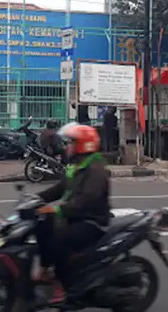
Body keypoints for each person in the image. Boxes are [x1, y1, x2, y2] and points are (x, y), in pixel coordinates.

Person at [34, 122, 111, 304]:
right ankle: (45, 270)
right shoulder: (76, 164)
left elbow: (86, 199)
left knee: (60, 239)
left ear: (83, 145)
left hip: (92, 220)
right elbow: (60, 189)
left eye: (72, 143)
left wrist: (58, 208)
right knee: (41, 221)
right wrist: (35, 199)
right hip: (74, 214)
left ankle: (63, 286)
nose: (67, 146)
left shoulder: (96, 168)